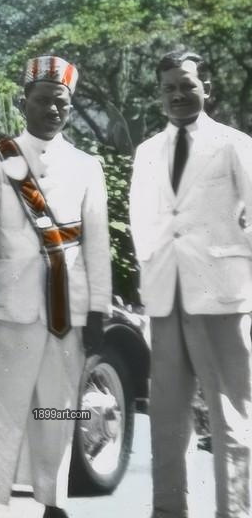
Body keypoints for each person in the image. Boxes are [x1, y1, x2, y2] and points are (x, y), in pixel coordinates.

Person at [0, 56, 110, 518]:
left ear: (70, 108)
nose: (52, 110)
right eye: (43, 101)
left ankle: (53, 504)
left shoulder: (86, 165)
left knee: (57, 408)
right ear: (25, 103)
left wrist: (98, 308)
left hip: (65, 304)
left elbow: (98, 241)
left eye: (62, 103)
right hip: (10, 297)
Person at [130, 48, 252, 518]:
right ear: (160, 94)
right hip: (165, 296)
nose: (179, 94)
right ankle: (168, 510)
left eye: (187, 85)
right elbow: (142, 219)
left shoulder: (233, 143)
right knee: (165, 415)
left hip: (222, 294)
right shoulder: (147, 151)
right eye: (170, 88)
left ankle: (235, 511)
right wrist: (151, 270)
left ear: (206, 89)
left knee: (231, 415)